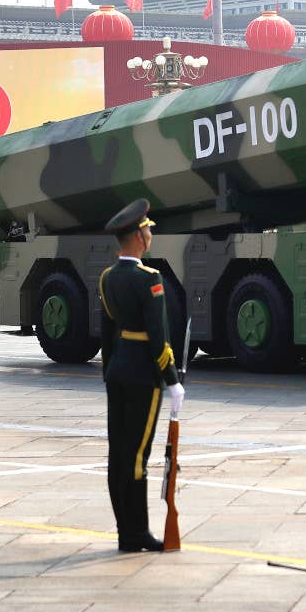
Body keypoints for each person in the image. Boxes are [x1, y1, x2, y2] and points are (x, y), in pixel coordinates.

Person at [99, 199, 185, 552]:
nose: (150, 233)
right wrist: (172, 379)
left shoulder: (107, 278)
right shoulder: (149, 279)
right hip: (141, 378)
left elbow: (106, 335)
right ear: (137, 237)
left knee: (118, 455)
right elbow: (157, 336)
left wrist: (109, 372)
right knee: (137, 458)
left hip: (117, 373)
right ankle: (136, 534)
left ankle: (126, 531)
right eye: (147, 228)